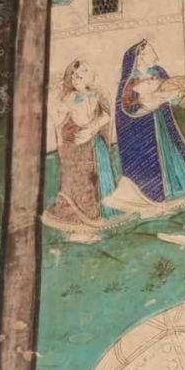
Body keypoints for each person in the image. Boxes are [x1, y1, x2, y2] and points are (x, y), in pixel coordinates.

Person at [103, 40, 185, 217]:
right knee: (150, 164)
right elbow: (129, 109)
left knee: (168, 156)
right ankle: (152, 201)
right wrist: (153, 101)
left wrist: (179, 93)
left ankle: (173, 192)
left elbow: (172, 97)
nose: (155, 56)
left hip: (161, 125)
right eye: (151, 52)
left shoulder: (158, 72)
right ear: (140, 58)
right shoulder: (131, 81)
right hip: (143, 131)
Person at [42, 60, 127, 240]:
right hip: (72, 149)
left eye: (83, 73)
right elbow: (58, 122)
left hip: (92, 147)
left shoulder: (96, 94)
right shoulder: (67, 97)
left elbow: (104, 116)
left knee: (91, 185)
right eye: (74, 74)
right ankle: (75, 228)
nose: (77, 77)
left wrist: (92, 128)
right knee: (73, 185)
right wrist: (55, 101)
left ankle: (90, 228)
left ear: (91, 75)